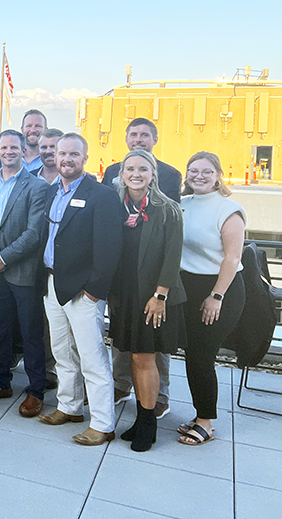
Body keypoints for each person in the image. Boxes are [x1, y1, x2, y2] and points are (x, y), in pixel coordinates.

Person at [38, 133, 123, 446]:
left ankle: (102, 423)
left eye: (74, 154)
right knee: (62, 351)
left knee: (92, 357)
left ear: (85, 158)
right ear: (55, 157)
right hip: (52, 283)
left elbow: (110, 247)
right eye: (62, 154)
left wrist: (94, 290)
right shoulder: (50, 192)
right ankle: (69, 406)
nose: (67, 160)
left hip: (82, 290)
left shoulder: (101, 195)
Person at [107, 150, 186, 452]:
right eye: (130, 169)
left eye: (143, 169)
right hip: (125, 295)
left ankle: (148, 422)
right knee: (131, 356)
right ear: (122, 173)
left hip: (152, 296)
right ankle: (141, 418)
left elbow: (172, 256)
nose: (135, 174)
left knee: (144, 358)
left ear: (153, 173)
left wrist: (160, 295)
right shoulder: (116, 205)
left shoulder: (167, 209)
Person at [0, 130, 50, 416]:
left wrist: (5, 257)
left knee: (30, 333)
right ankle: (1, 381)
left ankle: (35, 390)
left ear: (22, 150)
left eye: (13, 147)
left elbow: (35, 232)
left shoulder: (37, 186)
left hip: (23, 272)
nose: (8, 151)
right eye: (3, 147)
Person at [177, 152, 246, 446]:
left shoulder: (228, 210)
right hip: (188, 288)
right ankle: (199, 414)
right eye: (193, 171)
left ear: (218, 175)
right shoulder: (181, 205)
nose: (199, 176)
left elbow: (232, 258)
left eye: (206, 171)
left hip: (220, 290)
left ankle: (206, 422)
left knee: (203, 355)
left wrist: (216, 296)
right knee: (192, 355)